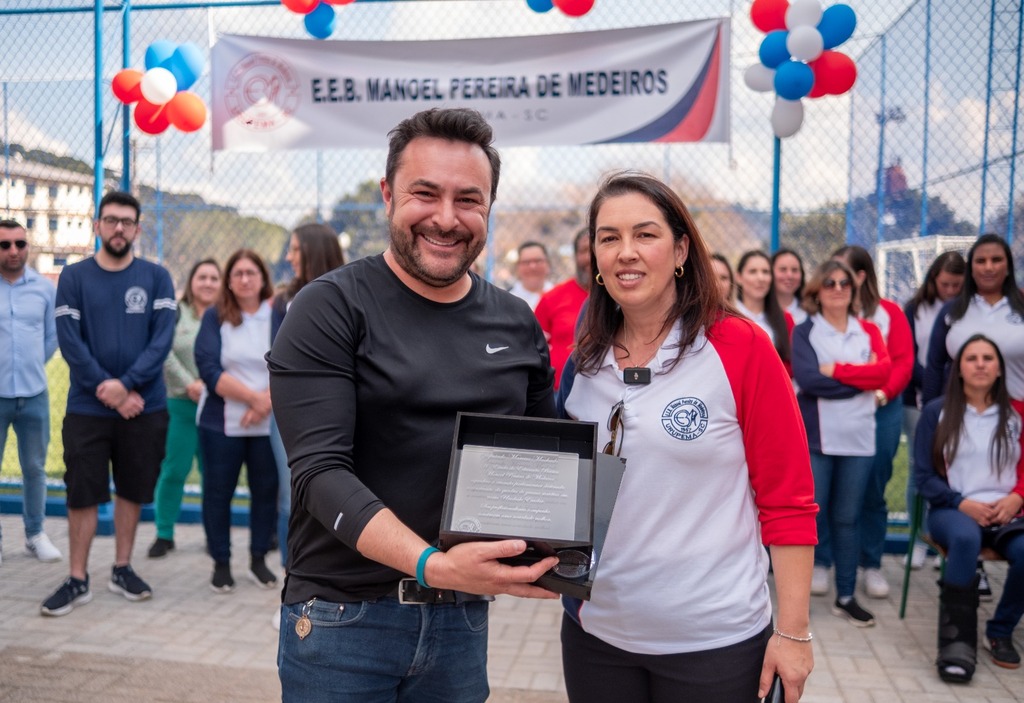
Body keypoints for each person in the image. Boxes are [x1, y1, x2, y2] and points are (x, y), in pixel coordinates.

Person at [267, 107, 560, 703]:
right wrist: (431, 564)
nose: (446, 219)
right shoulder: (329, 308)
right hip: (341, 621)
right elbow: (320, 474)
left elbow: (547, 458)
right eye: (425, 193)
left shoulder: (516, 320)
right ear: (387, 194)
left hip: (461, 620)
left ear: (489, 206)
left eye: (469, 200)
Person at [557, 172, 817, 702]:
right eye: (609, 238)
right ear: (595, 260)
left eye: (644, 234)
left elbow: (788, 501)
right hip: (596, 636)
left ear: (680, 249)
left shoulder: (739, 346)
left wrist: (792, 633)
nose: (625, 252)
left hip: (716, 642)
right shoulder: (582, 361)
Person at [42, 191, 176, 616]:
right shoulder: (74, 277)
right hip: (88, 406)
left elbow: (161, 341)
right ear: (97, 225)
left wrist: (128, 386)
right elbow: (71, 344)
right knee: (81, 492)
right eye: (111, 220)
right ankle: (77, 578)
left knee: (133, 487)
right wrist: (108, 388)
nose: (119, 228)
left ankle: (122, 567)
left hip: (144, 404)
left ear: (137, 229)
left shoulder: (156, 277)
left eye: (127, 222)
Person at [914, 334, 1024, 681]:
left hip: (1008, 511)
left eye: (988, 358)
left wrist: (1017, 498)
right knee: (964, 540)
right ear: (959, 368)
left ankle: (1000, 629)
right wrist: (961, 503)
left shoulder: (1018, 412)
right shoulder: (936, 411)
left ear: (999, 369)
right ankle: (956, 642)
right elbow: (923, 476)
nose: (980, 364)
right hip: (953, 509)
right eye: (971, 358)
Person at [792, 260, 891, 627]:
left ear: (853, 289)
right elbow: (809, 380)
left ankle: (846, 596)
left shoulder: (868, 331)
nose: (837, 288)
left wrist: (839, 372)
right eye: (829, 282)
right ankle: (797, 602)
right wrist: (860, 384)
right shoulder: (806, 332)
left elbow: (884, 372)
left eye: (844, 282)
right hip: (818, 439)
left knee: (847, 519)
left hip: (859, 440)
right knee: (809, 518)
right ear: (817, 290)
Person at [831, 245, 914, 600]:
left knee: (873, 489)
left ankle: (871, 564)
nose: (835, 282)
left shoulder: (889, 312)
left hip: (881, 411)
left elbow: (902, 362)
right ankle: (827, 561)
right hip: (837, 412)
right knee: (830, 489)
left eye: (844, 273)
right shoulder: (827, 313)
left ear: (861, 276)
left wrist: (880, 394)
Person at [194, 249, 279, 594]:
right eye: (238, 273)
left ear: (262, 278)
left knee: (266, 492)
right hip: (221, 423)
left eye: (251, 273)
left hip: (269, 424)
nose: (245, 279)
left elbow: (292, 362)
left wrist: (266, 405)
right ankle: (221, 563)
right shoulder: (215, 317)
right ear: (229, 281)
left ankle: (259, 559)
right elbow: (209, 369)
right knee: (218, 493)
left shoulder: (279, 315)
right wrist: (255, 399)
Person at [270, 223, 344, 579]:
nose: (288, 257)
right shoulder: (284, 300)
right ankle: (293, 580)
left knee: (333, 495)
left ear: (312, 251)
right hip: (288, 416)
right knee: (292, 497)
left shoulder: (349, 296)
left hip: (336, 413)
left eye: (295, 249)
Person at [147, 259, 222, 559]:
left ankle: (214, 535)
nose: (207, 283)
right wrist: (190, 384)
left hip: (216, 407)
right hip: (181, 405)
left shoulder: (226, 317)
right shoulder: (177, 313)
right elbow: (163, 352)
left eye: (214, 278)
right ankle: (164, 533)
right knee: (174, 470)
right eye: (202, 277)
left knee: (214, 475)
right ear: (191, 281)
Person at [0, 218, 61, 565]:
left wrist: (33, 363)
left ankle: (34, 534)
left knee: (35, 468)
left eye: (19, 244)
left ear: (28, 247)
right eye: (4, 244)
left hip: (34, 394)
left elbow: (52, 337)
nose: (13, 251)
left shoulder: (43, 289)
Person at [901, 251, 965, 569]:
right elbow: (910, 353)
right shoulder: (915, 309)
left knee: (954, 471)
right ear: (933, 279)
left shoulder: (967, 310)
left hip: (959, 402)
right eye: (945, 284)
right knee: (919, 472)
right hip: (919, 401)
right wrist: (930, 387)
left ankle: (948, 542)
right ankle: (917, 541)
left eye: (957, 285)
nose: (951, 291)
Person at [924, 233, 1024, 414]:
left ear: (1008, 266)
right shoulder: (951, 311)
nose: (988, 267)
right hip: (960, 415)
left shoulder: (1021, 306)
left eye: (996, 260)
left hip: (1018, 411)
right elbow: (935, 368)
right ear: (970, 269)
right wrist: (930, 413)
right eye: (980, 261)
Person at [535, 228, 590, 389]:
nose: (590, 258)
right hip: (559, 391)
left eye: (595, 249)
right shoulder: (552, 298)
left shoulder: (622, 299)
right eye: (584, 251)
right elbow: (533, 349)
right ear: (575, 256)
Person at [735, 249, 793, 373]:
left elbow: (791, 363)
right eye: (753, 272)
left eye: (765, 272)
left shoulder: (785, 318)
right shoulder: (726, 317)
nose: (760, 278)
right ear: (739, 277)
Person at [508, 240, 553, 309]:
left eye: (538, 261)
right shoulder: (508, 300)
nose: (532, 267)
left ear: (548, 264)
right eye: (526, 262)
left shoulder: (560, 297)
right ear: (517, 267)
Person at [773, 248, 807, 325]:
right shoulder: (760, 313)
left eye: (794, 270)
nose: (789, 275)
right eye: (783, 269)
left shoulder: (811, 313)